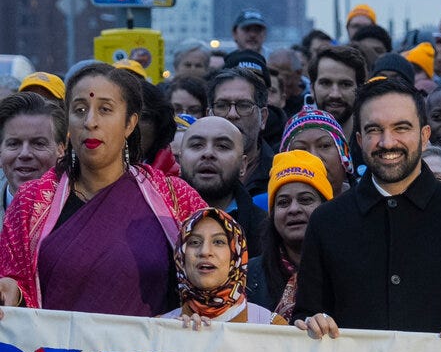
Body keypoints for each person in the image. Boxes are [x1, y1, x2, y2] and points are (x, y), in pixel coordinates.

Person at [294, 77, 441, 338]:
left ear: (425, 135)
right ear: (359, 140)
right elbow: (306, 316)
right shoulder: (327, 222)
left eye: (401, 128)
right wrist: (312, 323)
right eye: (374, 130)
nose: (387, 142)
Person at [0, 62, 206, 314]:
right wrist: (13, 291)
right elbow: (15, 283)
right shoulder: (32, 201)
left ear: (130, 123)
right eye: (79, 110)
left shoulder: (175, 197)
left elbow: (217, 275)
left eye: (105, 109)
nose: (90, 122)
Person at [162, 207, 286, 328]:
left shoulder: (271, 326)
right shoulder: (158, 331)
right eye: (194, 242)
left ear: (236, 255)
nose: (205, 251)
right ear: (181, 256)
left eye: (218, 242)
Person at [247, 150, 332, 322]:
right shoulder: (247, 276)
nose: (294, 209)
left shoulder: (348, 270)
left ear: (327, 208)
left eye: (306, 200)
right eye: (283, 202)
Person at [179, 116, 267, 256]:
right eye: (197, 145)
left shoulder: (265, 229)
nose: (208, 154)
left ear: (243, 165)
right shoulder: (157, 220)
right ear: (180, 159)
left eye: (222, 146)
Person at [0, 92, 66, 224]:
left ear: (62, 151)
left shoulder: (80, 213)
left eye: (38, 143)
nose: (25, 154)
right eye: (14, 144)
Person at [207, 67, 272, 196]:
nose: (232, 114)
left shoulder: (279, 173)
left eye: (244, 105)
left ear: (263, 118)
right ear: (208, 115)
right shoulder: (193, 174)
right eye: (222, 106)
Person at [309, 45, 367, 173]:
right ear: (312, 88)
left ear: (360, 89)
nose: (335, 94)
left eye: (345, 84)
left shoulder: (373, 147)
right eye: (326, 83)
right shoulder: (293, 148)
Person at [278, 105, 354, 197]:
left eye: (325, 146)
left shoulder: (368, 204)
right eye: (301, 149)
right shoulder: (265, 206)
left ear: (344, 153)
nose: (314, 157)